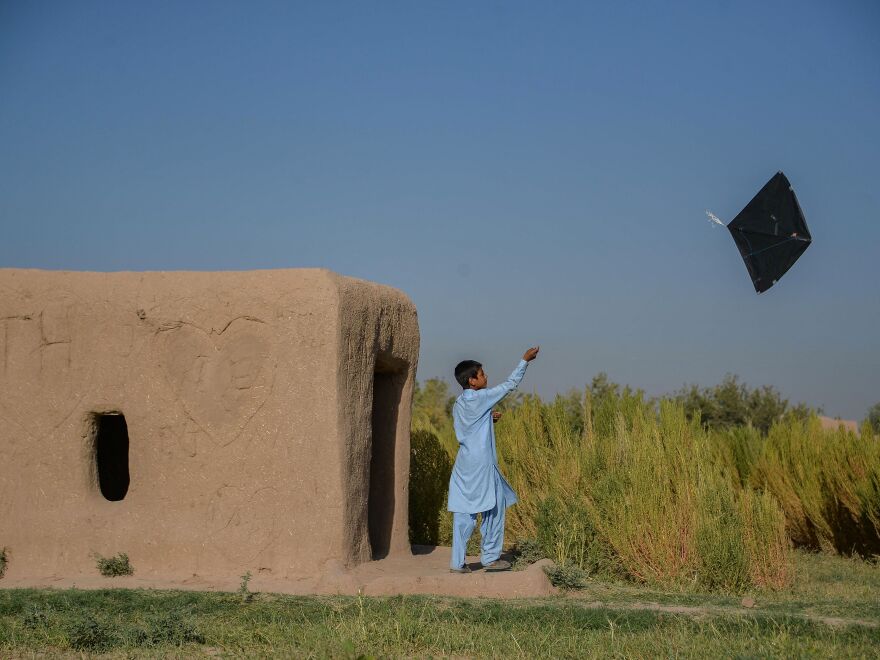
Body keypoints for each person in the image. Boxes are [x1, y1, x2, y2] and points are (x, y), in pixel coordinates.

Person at [447, 346, 540, 573]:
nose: (486, 376)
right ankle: (490, 557)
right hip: (482, 466)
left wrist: (488, 418)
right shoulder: (482, 398)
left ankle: (456, 563)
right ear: (472, 381)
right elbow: (510, 385)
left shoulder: (458, 404)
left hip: (464, 465)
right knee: (494, 508)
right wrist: (524, 361)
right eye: (482, 374)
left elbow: (469, 427)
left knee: (463, 513)